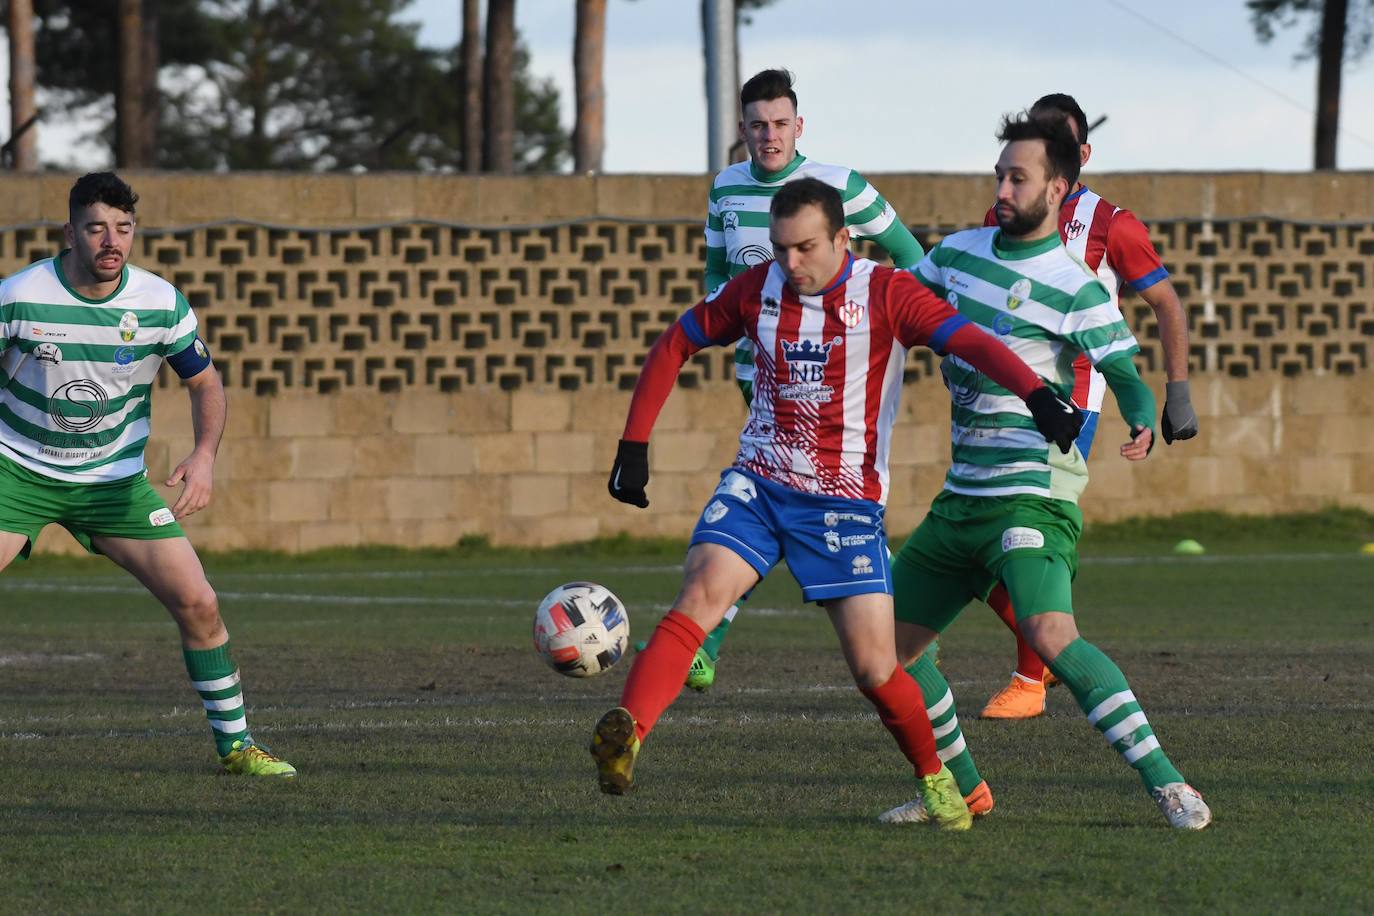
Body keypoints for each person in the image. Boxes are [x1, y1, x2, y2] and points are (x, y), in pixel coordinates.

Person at [593, 177, 1084, 830]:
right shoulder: (756, 287)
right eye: (778, 248)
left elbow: (969, 340)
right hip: (759, 483)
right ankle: (629, 731)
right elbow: (676, 342)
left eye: (804, 248)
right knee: (701, 595)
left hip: (843, 506)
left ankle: (938, 781)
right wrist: (633, 444)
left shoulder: (886, 293)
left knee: (876, 666)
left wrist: (1037, 393)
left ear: (843, 240)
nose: (789, 264)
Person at [879, 115, 1211, 829]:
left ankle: (1170, 785)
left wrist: (1143, 416)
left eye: (1017, 177)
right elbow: (895, 303)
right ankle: (964, 791)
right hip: (959, 498)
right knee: (886, 651)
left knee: (1052, 633)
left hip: (1032, 498)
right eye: (999, 173)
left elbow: (1125, 372)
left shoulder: (1075, 285)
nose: (1002, 187)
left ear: (1057, 188)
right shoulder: (957, 256)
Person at [0, 172, 295, 778]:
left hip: (113, 484)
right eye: (97, 227)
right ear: (70, 232)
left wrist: (204, 455)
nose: (112, 240)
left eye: (123, 228)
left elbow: (204, 380)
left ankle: (237, 747)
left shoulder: (160, 302)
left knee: (199, 602)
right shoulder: (19, 296)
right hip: (18, 473)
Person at [688, 67, 927, 691]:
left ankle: (898, 613)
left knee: (810, 500)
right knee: (778, 497)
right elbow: (717, 271)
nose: (770, 136)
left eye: (781, 124)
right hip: (757, 372)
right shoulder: (725, 189)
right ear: (742, 130)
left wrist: (883, 328)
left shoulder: (839, 186)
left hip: (836, 376)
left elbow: (911, 256)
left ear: (800, 126)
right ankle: (711, 636)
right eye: (758, 126)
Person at [977, 93, 1198, 720]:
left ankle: (1030, 676)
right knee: (976, 535)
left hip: (1071, 401)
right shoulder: (1004, 213)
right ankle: (1041, 651)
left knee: (1023, 535)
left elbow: (1166, 304)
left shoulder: (1112, 224)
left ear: (1080, 157)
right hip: (999, 398)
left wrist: (1173, 393)